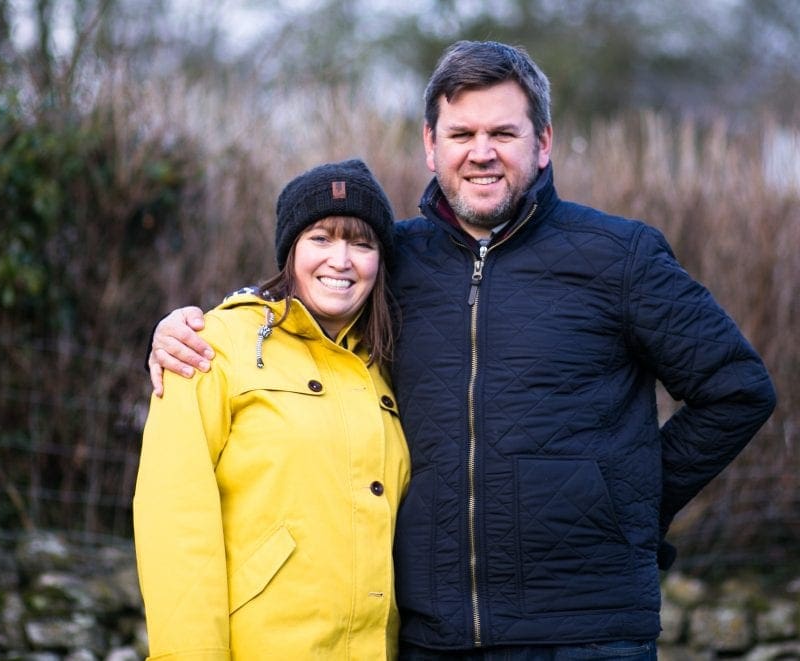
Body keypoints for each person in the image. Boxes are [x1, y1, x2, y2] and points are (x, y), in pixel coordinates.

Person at [147, 41, 777, 660]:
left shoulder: (620, 256)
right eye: (460, 134)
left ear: (544, 142)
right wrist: (189, 327)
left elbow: (737, 390)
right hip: (435, 634)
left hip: (587, 629)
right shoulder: (395, 260)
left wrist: (626, 503)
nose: (481, 153)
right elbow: (306, 310)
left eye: (503, 132)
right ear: (430, 145)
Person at [134, 158, 411, 659]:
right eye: (321, 238)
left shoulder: (387, 368)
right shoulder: (210, 346)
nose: (341, 259)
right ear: (290, 251)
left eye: (362, 243)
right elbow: (174, 523)